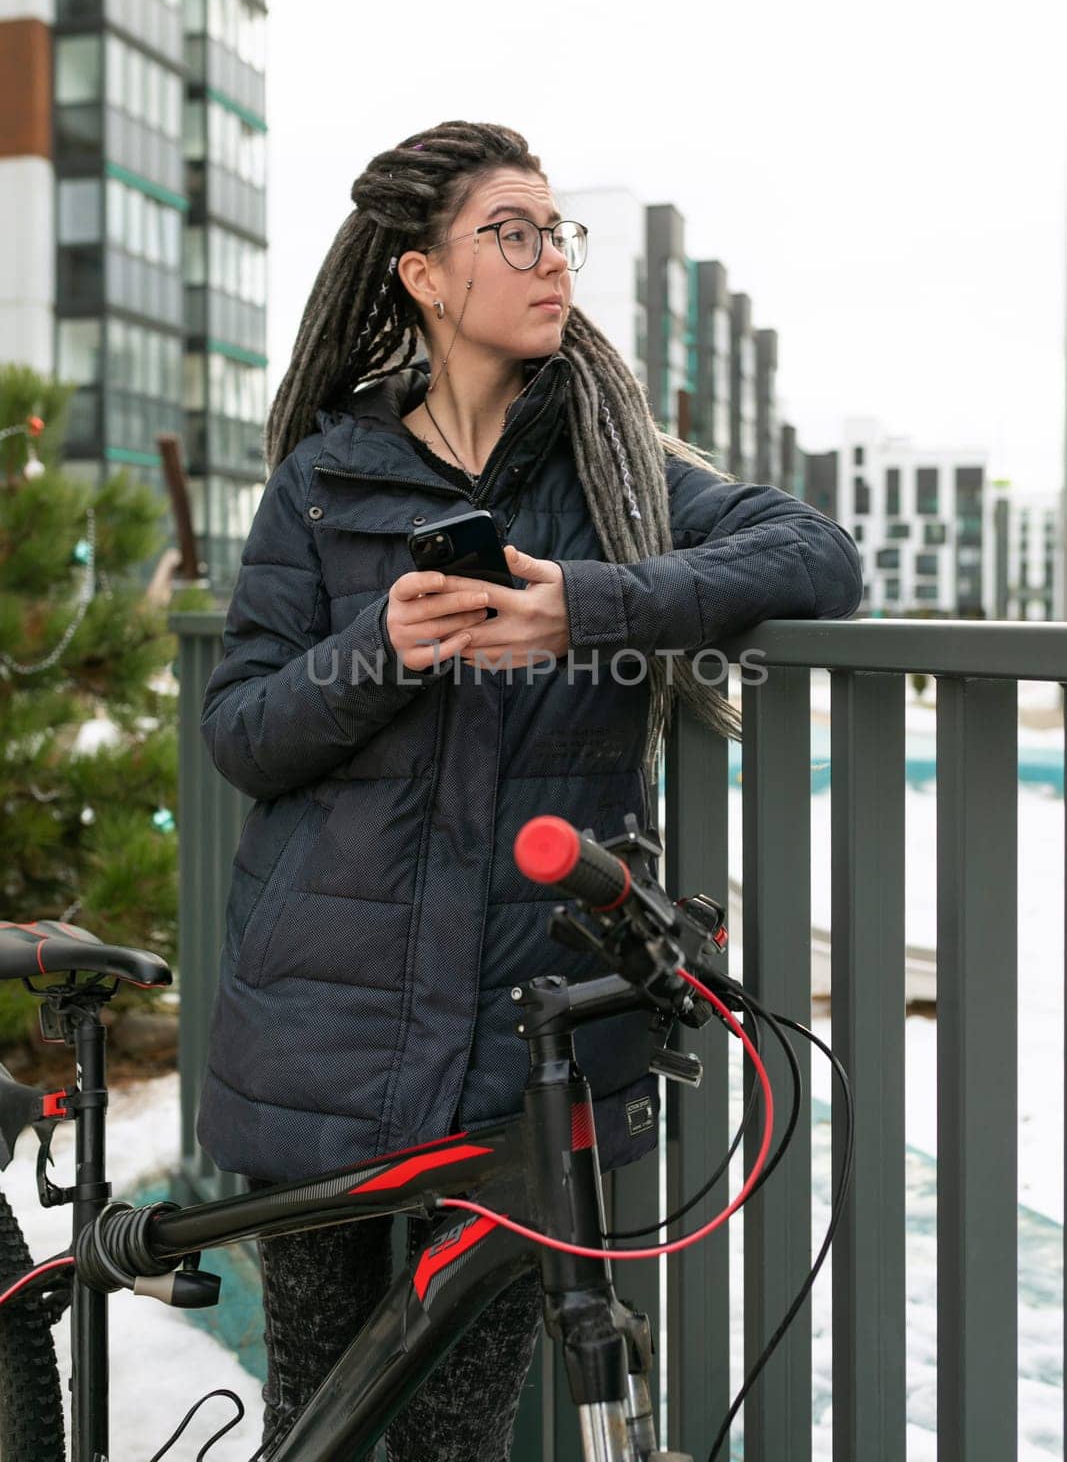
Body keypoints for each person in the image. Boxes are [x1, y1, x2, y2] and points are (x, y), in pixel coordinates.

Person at [197, 120, 862, 1460]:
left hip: (525, 1051)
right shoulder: (322, 485)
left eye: (559, 231)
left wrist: (592, 607)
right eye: (513, 232)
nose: (550, 257)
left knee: (458, 1437)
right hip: (320, 1037)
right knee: (316, 1427)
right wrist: (381, 648)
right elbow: (246, 734)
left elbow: (816, 556)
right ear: (423, 276)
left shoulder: (612, 480)